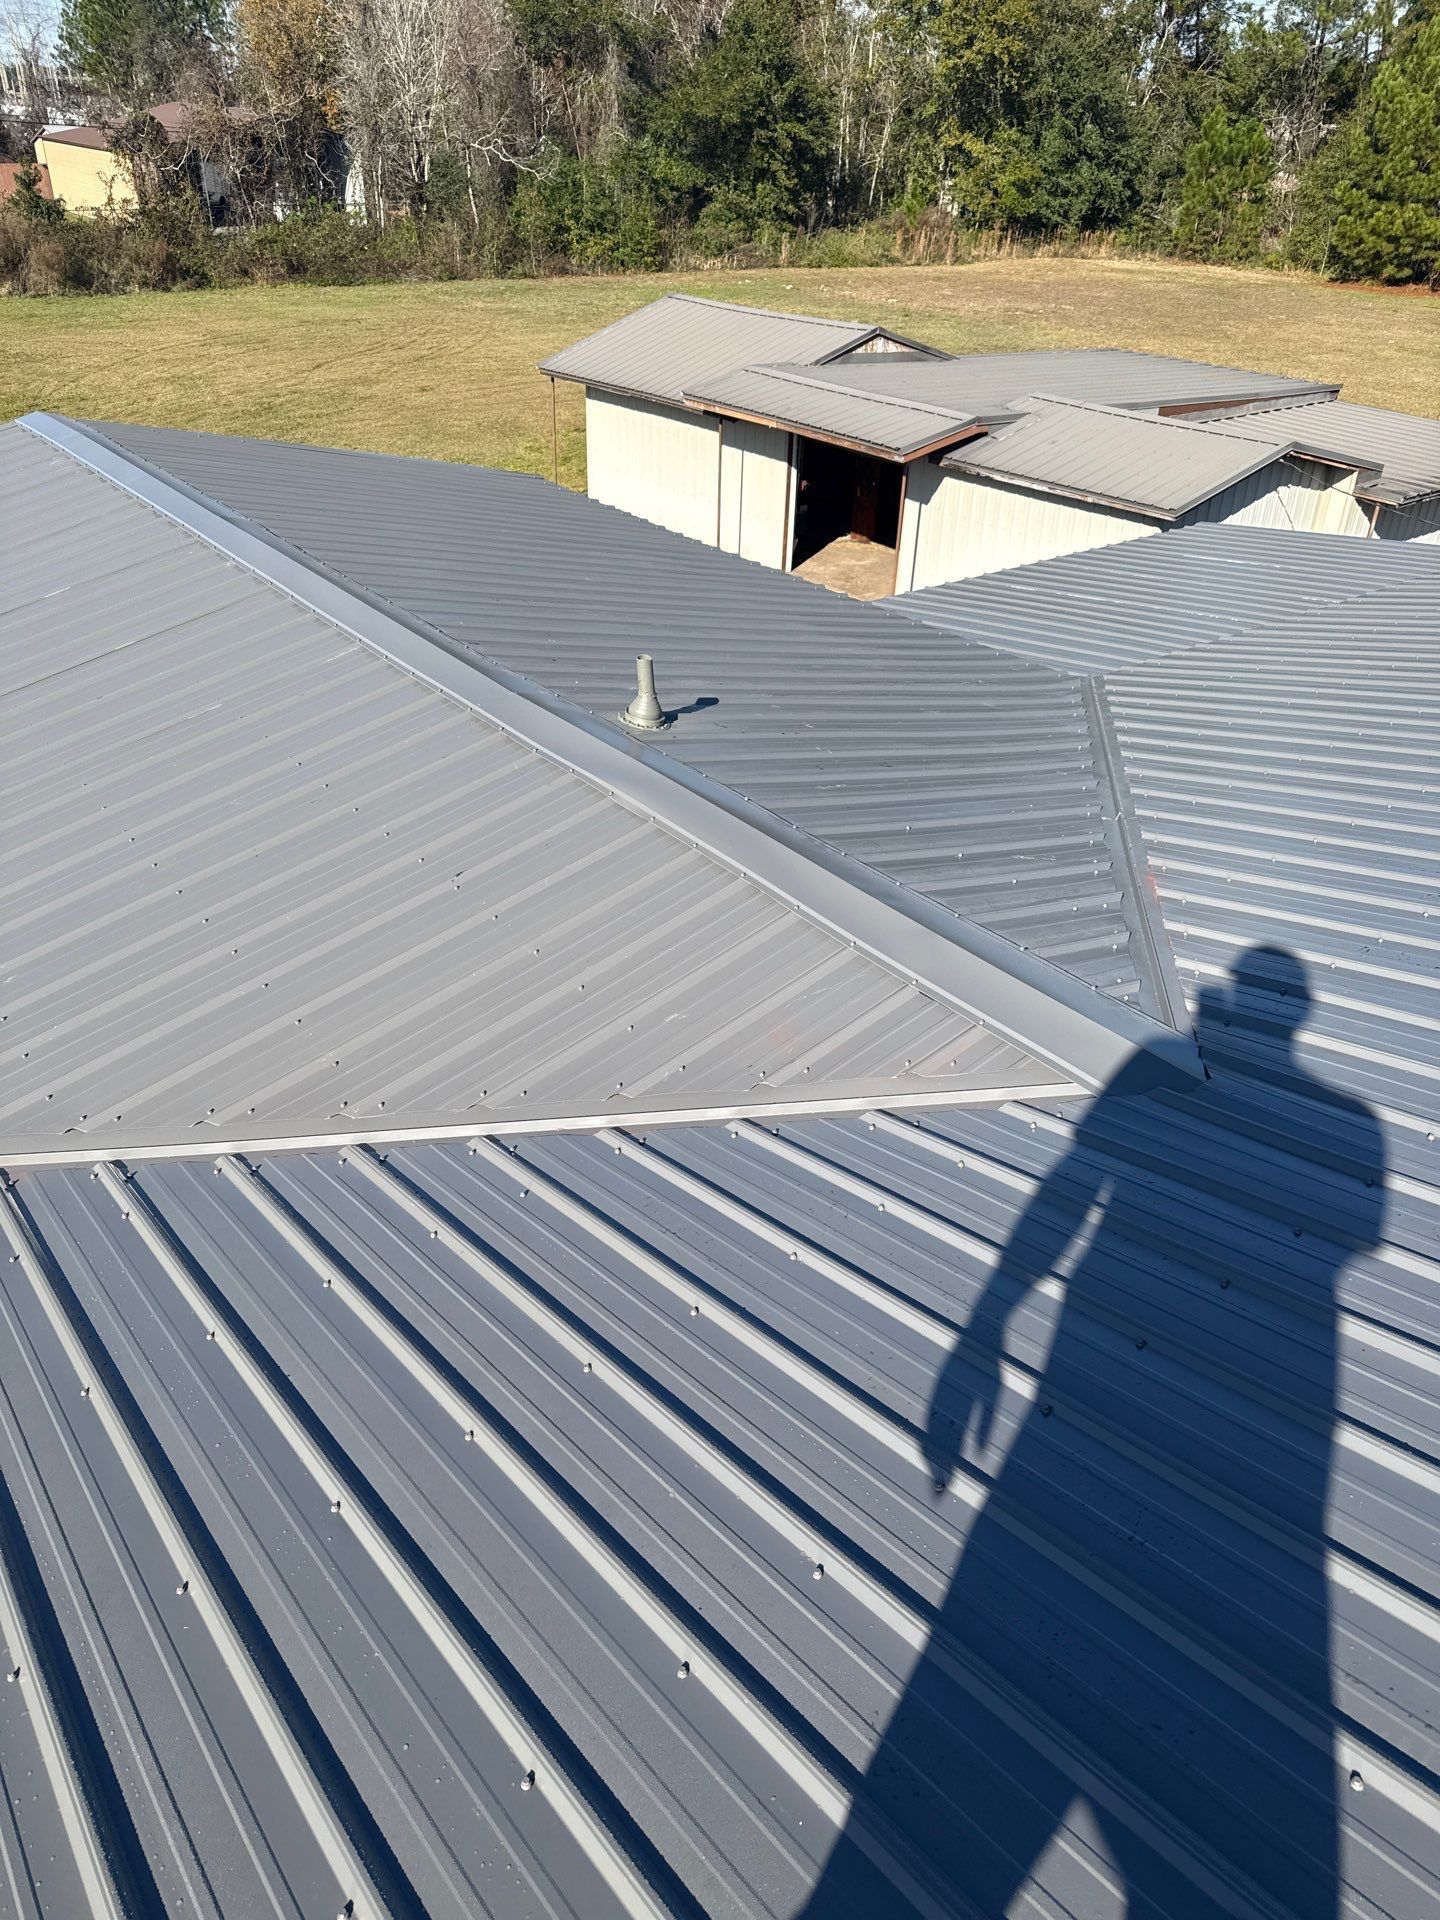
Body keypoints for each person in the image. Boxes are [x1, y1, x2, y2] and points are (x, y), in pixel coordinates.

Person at [800, 947, 1386, 1920]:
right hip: (1272, 1409)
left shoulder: (1176, 1086)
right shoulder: (1353, 1123)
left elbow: (1072, 1187)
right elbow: (1352, 1235)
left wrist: (987, 1325)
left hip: (1092, 1381)